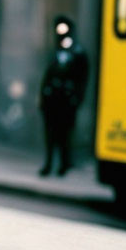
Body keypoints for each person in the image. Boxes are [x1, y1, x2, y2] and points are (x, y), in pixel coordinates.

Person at [38, 15, 90, 176]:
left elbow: (82, 79)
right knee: (50, 133)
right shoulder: (55, 52)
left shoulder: (77, 53)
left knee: (64, 134)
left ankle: (64, 164)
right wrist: (43, 95)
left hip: (66, 101)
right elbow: (47, 76)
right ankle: (49, 163)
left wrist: (76, 98)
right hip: (52, 99)